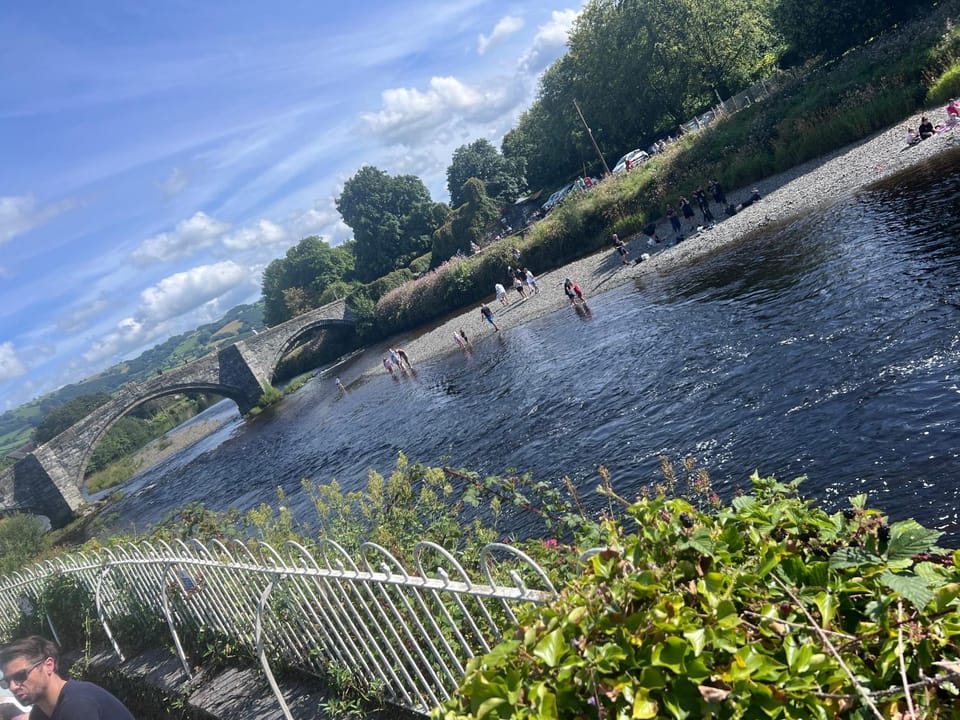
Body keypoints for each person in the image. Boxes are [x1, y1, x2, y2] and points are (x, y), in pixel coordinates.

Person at [0, 635, 135, 720]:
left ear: (49, 665)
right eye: (7, 681)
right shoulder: (41, 712)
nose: (12, 687)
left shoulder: (77, 704)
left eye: (20, 675)